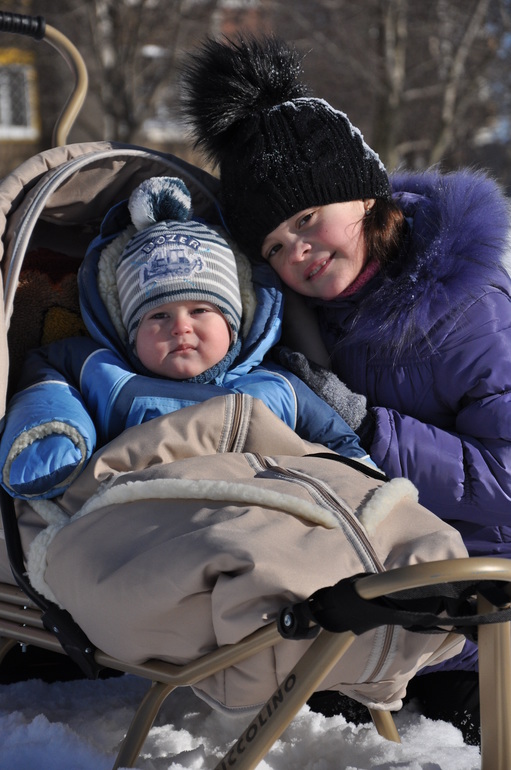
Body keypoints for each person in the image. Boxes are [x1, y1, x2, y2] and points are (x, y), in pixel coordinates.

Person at [180, 34, 511, 743]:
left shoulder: (470, 308)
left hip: (481, 589)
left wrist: (366, 429)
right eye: (273, 245)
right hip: (374, 570)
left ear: (364, 192)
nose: (296, 249)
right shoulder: (306, 316)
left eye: (306, 218)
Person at [0, 175, 378, 503]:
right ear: (129, 336)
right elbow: (46, 372)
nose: (180, 327)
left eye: (199, 311)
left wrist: (366, 485)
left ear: (234, 324)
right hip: (149, 506)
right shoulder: (104, 373)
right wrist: (56, 436)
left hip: (263, 500)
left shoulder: (278, 386)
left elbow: (339, 442)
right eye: (158, 316)